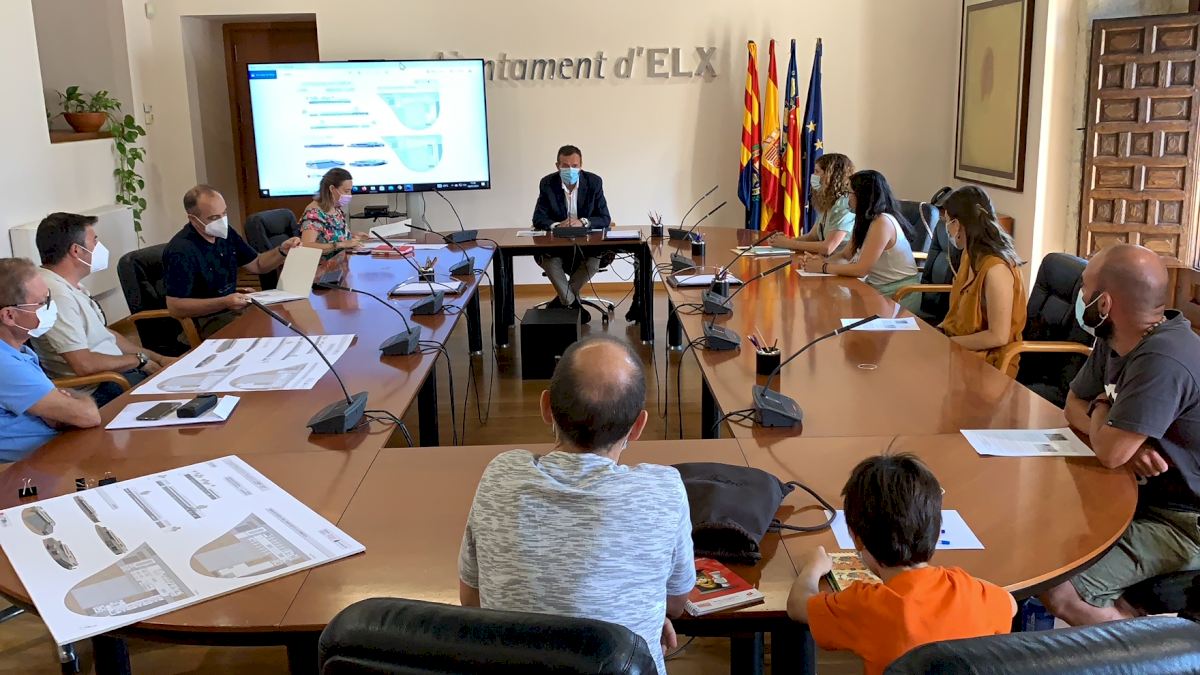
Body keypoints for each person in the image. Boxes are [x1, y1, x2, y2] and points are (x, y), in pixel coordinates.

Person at [458, 335, 693, 675]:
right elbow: (677, 601)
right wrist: (643, 619)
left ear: (545, 407)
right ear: (638, 426)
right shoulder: (664, 490)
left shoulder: (500, 474)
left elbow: (471, 600)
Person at [1040, 244, 1200, 626]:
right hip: (1132, 492)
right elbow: (1072, 405)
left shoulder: (1163, 358)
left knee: (1059, 588)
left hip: (1181, 522)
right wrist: (1112, 427)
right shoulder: (1115, 338)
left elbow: (1110, 451)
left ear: (1105, 302)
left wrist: (1102, 409)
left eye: (1084, 287)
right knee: (1041, 533)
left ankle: (1144, 651)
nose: (1080, 296)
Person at [787, 454, 1015, 675]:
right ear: (935, 530)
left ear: (857, 539)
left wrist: (813, 567)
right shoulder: (974, 594)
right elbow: (1010, 603)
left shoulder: (866, 606)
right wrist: (964, 582)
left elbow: (797, 606)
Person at [31, 213, 178, 407]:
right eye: (95, 240)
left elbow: (105, 335)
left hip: (119, 373)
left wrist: (156, 358)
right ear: (76, 250)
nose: (99, 246)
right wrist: (139, 361)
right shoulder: (56, 295)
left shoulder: (70, 285)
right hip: (101, 388)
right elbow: (84, 364)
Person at [164, 185, 302, 338]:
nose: (221, 221)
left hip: (233, 310)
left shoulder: (226, 234)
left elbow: (257, 264)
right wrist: (224, 302)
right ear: (193, 219)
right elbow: (175, 307)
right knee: (263, 332)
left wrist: (282, 251)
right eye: (214, 218)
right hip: (205, 320)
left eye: (224, 213)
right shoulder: (181, 250)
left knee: (285, 321)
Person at [0, 258, 101, 460]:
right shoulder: (5, 364)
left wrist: (58, 407)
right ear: (9, 316)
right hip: (34, 466)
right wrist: (73, 403)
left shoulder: (19, 352)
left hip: (58, 449)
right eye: (42, 302)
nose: (50, 306)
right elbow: (88, 416)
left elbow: (60, 415)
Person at [938, 186, 1027, 376]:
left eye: (948, 222)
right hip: (960, 347)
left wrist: (947, 344)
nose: (948, 229)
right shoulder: (970, 255)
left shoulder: (996, 269)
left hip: (991, 362)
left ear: (958, 224)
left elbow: (998, 336)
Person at [802, 170, 919, 302]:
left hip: (899, 293)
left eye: (849, 193)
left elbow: (861, 270)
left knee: (835, 305)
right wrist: (822, 261)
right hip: (875, 288)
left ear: (862, 195)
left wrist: (823, 267)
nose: (847, 198)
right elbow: (845, 255)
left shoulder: (882, 222)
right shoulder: (864, 220)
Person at [531, 144, 612, 324]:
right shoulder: (547, 183)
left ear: (581, 165)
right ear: (557, 166)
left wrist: (583, 221)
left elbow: (605, 218)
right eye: (565, 166)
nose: (570, 170)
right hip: (556, 246)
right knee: (550, 263)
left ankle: (561, 302)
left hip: (587, 247)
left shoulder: (594, 182)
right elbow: (538, 218)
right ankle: (573, 305)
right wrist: (557, 225)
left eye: (574, 166)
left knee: (592, 264)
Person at [770, 153, 856, 256]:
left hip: (840, 262)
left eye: (817, 171)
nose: (813, 175)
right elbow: (812, 237)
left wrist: (788, 243)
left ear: (831, 176)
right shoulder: (828, 202)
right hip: (825, 260)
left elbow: (827, 247)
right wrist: (782, 242)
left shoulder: (844, 204)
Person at [300, 167, 367, 258]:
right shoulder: (313, 213)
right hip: (324, 265)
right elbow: (307, 246)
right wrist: (340, 244)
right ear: (332, 188)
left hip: (342, 262)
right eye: (346, 191)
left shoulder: (336, 208)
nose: (349, 195)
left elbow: (329, 235)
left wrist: (351, 236)